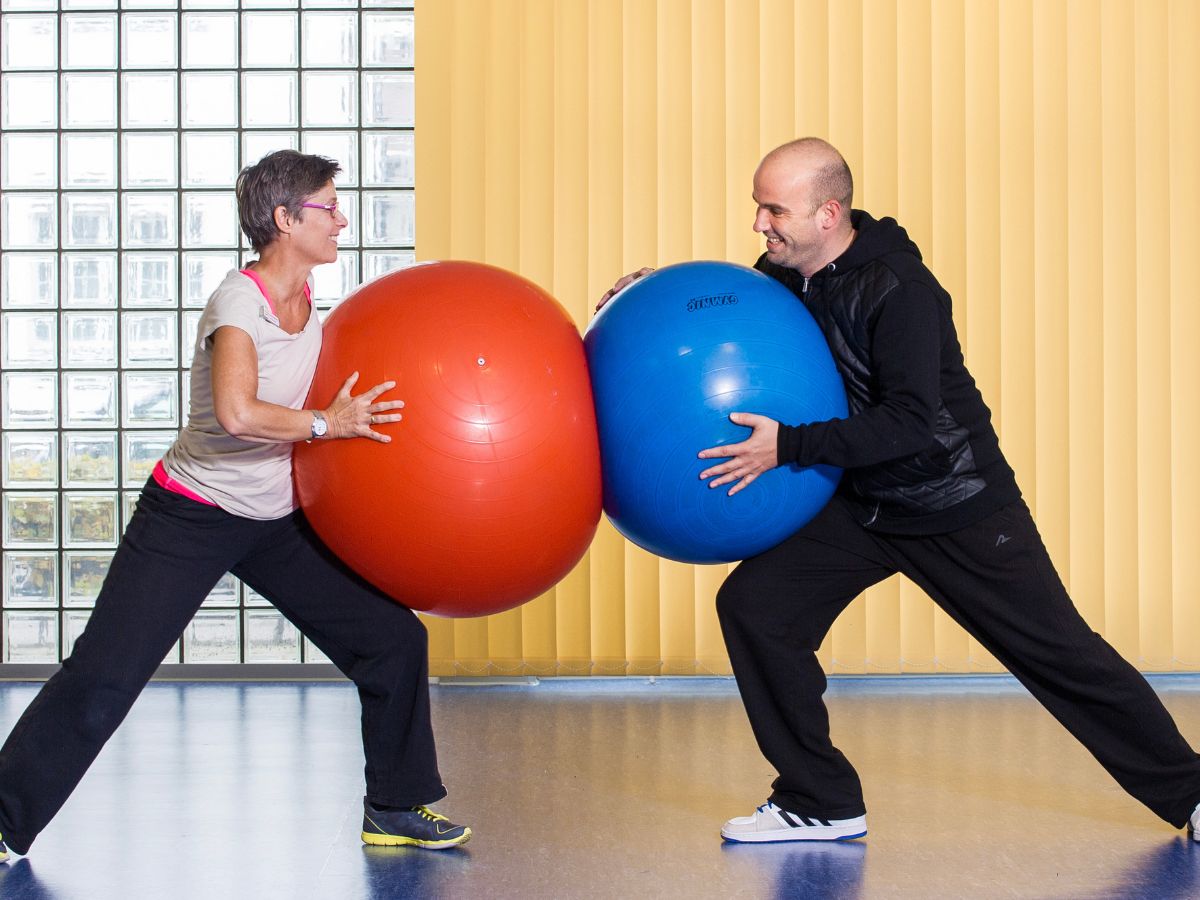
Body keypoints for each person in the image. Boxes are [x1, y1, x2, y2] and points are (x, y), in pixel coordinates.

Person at [600, 137, 1200, 844]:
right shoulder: (790, 276)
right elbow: (733, 315)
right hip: (862, 504)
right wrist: (653, 300)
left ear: (828, 215)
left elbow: (911, 424)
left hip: (951, 503)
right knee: (756, 609)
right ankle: (820, 799)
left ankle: (1192, 794)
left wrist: (787, 447)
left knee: (1061, 655)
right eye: (759, 207)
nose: (760, 223)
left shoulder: (900, 290)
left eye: (774, 210)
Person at [0, 150, 470, 859]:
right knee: (105, 677)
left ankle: (394, 807)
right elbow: (237, 412)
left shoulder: (312, 300)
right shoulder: (238, 304)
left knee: (394, 641)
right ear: (285, 219)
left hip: (275, 520)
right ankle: (5, 816)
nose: (341, 219)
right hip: (191, 514)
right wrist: (328, 424)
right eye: (328, 207)